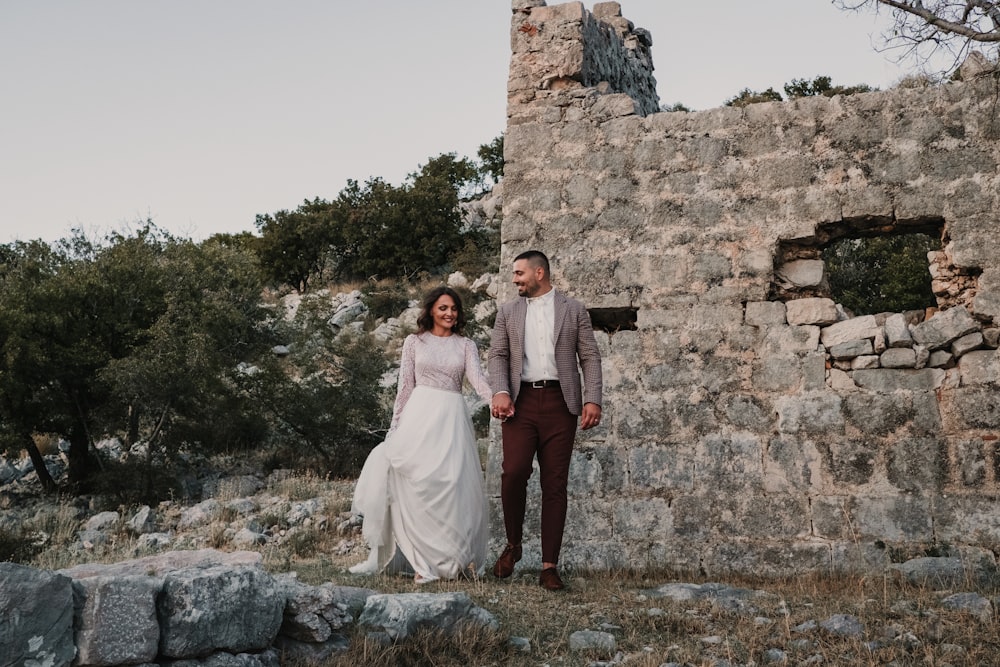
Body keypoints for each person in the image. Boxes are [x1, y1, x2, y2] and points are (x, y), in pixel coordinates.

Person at [350, 286, 493, 583]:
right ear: (430, 310)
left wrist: (497, 400)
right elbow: (404, 388)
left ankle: (450, 562)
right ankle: (417, 562)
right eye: (443, 308)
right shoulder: (414, 342)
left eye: (453, 308)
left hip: (451, 418)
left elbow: (478, 380)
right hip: (419, 414)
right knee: (415, 484)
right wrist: (395, 428)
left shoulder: (465, 345)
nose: (449, 313)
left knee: (450, 486)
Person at [487, 250, 603, 591]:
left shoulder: (574, 309)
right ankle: (513, 545)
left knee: (555, 484)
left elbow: (590, 356)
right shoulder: (507, 312)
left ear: (540, 273)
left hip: (560, 403)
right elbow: (497, 355)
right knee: (514, 472)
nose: (514, 279)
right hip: (519, 404)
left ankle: (549, 566)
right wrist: (500, 391)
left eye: (519, 273)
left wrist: (592, 398)